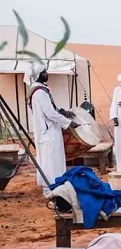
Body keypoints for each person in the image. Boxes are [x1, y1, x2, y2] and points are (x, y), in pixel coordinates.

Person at [26, 63, 79, 196]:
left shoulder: (40, 90)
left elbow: (51, 109)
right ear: (38, 75)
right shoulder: (39, 93)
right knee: (51, 161)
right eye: (44, 72)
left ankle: (55, 187)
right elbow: (49, 113)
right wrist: (68, 123)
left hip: (49, 130)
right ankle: (51, 189)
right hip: (48, 132)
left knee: (52, 159)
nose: (47, 74)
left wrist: (62, 112)